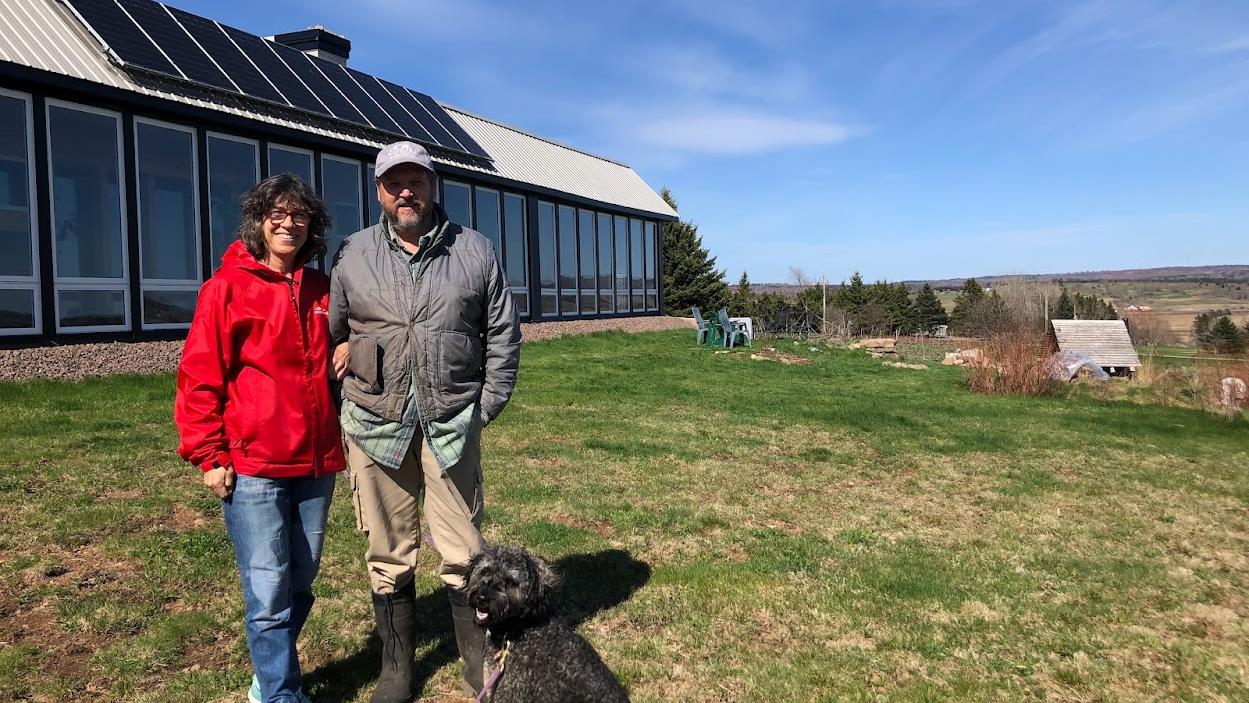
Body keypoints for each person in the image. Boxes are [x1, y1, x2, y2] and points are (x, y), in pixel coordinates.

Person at [328, 141, 520, 703]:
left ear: (433, 186)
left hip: (451, 421)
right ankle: (396, 669)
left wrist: (485, 406)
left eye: (416, 181)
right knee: (387, 550)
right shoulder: (352, 253)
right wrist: (345, 360)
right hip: (374, 422)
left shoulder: (475, 250)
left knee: (463, 549)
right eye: (394, 183)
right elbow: (335, 328)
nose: (405, 191)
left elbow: (503, 334)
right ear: (379, 190)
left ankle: (475, 659)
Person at [175, 174, 346, 703]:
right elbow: (201, 375)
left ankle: (268, 672)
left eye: (299, 215)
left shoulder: (322, 289)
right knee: (268, 589)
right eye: (277, 213)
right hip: (253, 467)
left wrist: (351, 349)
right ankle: (278, 693)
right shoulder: (225, 289)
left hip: (316, 464)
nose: (288, 223)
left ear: (311, 226)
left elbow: (349, 340)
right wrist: (208, 455)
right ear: (257, 221)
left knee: (299, 581)